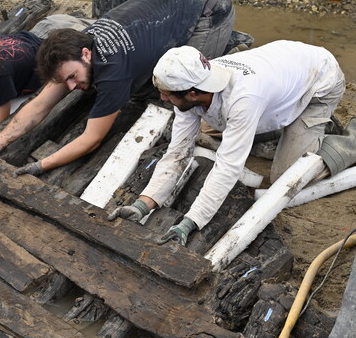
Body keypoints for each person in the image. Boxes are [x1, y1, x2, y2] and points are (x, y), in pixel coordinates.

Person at [0, 0, 235, 176]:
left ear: (86, 54)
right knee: (141, 83)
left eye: (72, 77)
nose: (72, 87)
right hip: (170, 0)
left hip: (207, 10)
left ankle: (231, 45)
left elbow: (91, 138)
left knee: (177, 88)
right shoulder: (76, 51)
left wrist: (40, 165)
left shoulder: (113, 73)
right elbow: (38, 105)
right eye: (66, 81)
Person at [108, 40, 346, 246]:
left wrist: (191, 222)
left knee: (287, 176)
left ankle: (342, 142)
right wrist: (142, 204)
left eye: (167, 94)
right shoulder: (194, 82)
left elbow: (228, 167)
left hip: (319, 80)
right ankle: (284, 128)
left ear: (192, 93)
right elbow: (178, 152)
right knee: (211, 128)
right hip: (282, 71)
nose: (161, 97)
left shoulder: (244, 99)